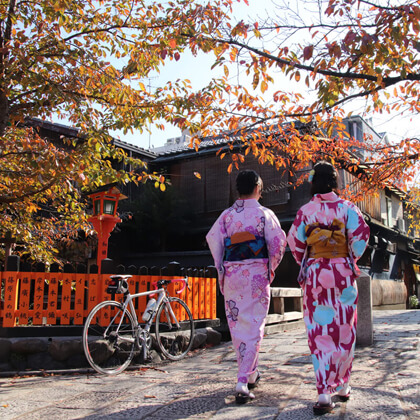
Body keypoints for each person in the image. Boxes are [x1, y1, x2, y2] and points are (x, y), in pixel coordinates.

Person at [287, 161, 370, 415]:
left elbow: (296, 245)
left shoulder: (305, 211)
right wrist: (346, 255)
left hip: (315, 276)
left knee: (320, 330)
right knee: (345, 330)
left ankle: (324, 393)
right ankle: (343, 386)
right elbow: (360, 241)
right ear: (335, 183)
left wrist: (313, 257)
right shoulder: (348, 208)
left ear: (313, 182)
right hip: (342, 275)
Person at [206, 169, 286, 404]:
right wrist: (270, 267)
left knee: (239, 326)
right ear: (259, 189)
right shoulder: (265, 214)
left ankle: (251, 373)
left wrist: (222, 270)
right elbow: (278, 242)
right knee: (254, 325)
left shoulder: (227, 216)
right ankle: (242, 380)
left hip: (233, 274)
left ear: (237, 190)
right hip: (257, 275)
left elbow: (214, 241)